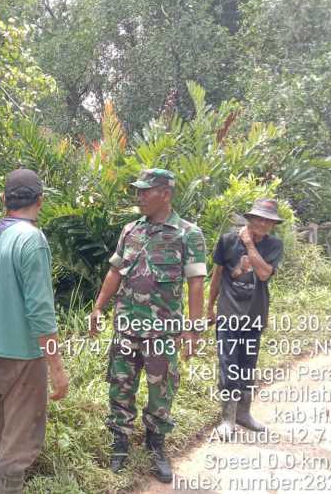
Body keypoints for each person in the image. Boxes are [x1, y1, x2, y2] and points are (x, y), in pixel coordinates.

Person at [90, 168, 206, 482]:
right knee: (120, 385)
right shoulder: (130, 231)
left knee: (161, 391)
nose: (139, 196)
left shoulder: (187, 234)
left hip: (163, 332)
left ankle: (156, 444)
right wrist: (99, 307)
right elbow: (116, 272)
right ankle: (120, 442)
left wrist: (193, 330)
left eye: (145, 191)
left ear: (165, 194)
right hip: (126, 326)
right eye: (138, 191)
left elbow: (196, 283)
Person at [0, 168, 69, 494]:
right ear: (39, 201)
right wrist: (56, 367)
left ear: (5, 200)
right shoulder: (32, 239)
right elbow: (40, 311)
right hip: (22, 353)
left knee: (0, 421)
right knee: (22, 434)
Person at [208, 198, 284, 440]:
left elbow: (263, 274)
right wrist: (210, 306)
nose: (262, 223)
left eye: (268, 220)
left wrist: (250, 244)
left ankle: (244, 413)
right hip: (229, 314)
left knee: (247, 366)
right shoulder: (228, 240)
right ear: (250, 218)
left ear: (272, 224)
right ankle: (227, 419)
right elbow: (218, 274)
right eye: (258, 218)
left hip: (254, 315)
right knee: (229, 365)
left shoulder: (274, 245)